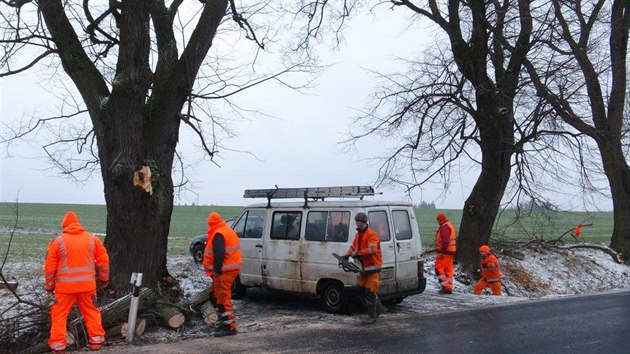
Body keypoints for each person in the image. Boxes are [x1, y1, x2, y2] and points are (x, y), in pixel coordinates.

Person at [44, 211, 109, 353]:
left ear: (64, 225)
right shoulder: (92, 239)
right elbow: (104, 261)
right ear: (78, 224)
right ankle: (96, 341)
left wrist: (49, 286)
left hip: (64, 289)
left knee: (59, 315)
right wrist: (104, 279)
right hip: (87, 287)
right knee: (91, 312)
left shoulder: (57, 242)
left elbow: (49, 268)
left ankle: (59, 346)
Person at [203, 212, 242, 337]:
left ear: (211, 224)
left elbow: (219, 253)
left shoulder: (218, 234)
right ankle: (224, 322)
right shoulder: (226, 230)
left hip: (223, 271)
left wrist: (216, 269)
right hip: (228, 269)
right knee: (215, 296)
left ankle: (230, 327)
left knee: (223, 297)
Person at [343, 212, 385, 324]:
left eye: (359, 221)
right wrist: (347, 255)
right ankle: (379, 309)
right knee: (362, 289)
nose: (357, 223)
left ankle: (372, 316)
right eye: (356, 221)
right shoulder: (358, 235)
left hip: (373, 267)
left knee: (370, 291)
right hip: (364, 268)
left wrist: (357, 253)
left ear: (363, 222)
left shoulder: (372, 234)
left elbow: (372, 250)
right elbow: (353, 247)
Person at [434, 212, 457, 294]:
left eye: (438, 220)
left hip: (445, 252)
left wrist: (442, 251)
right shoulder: (449, 225)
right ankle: (449, 287)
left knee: (438, 268)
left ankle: (446, 287)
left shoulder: (444, 227)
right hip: (450, 252)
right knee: (448, 270)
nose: (437, 222)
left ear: (440, 220)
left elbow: (445, 241)